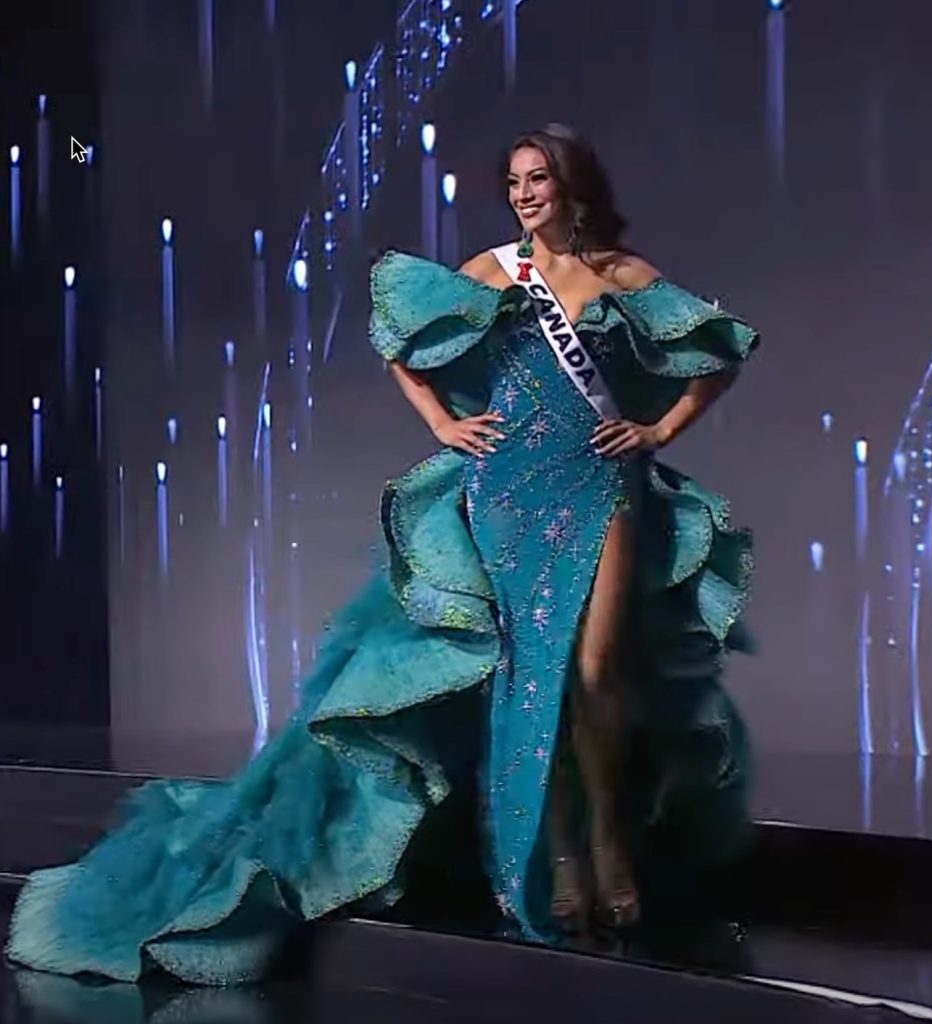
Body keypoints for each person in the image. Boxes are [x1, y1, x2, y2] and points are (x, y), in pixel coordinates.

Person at [5, 123, 759, 985]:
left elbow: (718, 350)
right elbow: (400, 342)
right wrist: (443, 423)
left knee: (592, 673)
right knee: (532, 676)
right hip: (506, 491)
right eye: (513, 180)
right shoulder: (490, 271)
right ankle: (560, 861)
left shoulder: (622, 274)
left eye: (537, 178)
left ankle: (607, 838)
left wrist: (659, 427)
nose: (522, 194)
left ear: (572, 184)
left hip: (598, 484)